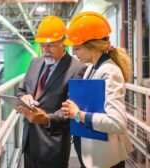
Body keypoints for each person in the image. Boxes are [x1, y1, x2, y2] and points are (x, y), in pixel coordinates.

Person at [61, 11, 134, 168]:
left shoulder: (110, 71)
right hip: (91, 155)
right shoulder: (91, 69)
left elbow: (117, 123)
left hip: (105, 161)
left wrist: (78, 115)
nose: (73, 52)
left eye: (77, 48)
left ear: (93, 47)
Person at [16, 15, 86, 168]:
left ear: (63, 44)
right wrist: (25, 97)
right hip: (29, 142)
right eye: (42, 45)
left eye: (51, 45)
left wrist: (46, 118)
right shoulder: (35, 62)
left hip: (53, 148)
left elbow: (71, 110)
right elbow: (21, 91)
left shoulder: (77, 69)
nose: (45, 50)